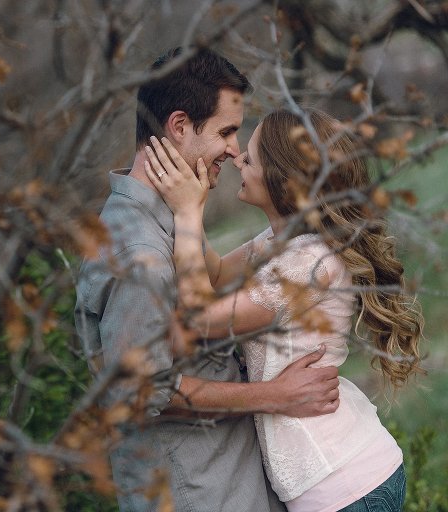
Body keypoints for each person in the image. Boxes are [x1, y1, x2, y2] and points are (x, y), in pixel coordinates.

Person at [74, 47, 341, 512]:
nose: (235, 150)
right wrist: (274, 396)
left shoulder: (168, 219)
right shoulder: (139, 253)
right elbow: (140, 392)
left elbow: (217, 276)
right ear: (179, 126)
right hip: (200, 491)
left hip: (231, 478)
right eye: (226, 132)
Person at [144, 107, 423, 511]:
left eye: (251, 158)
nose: (238, 160)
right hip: (341, 479)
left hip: (345, 483)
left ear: (282, 181)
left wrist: (187, 214)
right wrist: (188, 205)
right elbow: (216, 274)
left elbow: (200, 319)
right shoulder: (283, 244)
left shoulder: (308, 265)